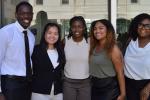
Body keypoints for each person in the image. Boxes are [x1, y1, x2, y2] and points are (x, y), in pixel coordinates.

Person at [0, 1, 35, 100]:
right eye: (23, 13)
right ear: (16, 15)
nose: (26, 16)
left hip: (27, 83)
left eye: (29, 13)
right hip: (10, 84)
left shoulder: (31, 36)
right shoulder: (5, 33)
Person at [89, 19, 126, 100]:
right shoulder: (94, 46)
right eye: (95, 29)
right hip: (94, 86)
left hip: (109, 89)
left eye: (101, 28)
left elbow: (120, 72)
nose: (97, 31)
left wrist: (123, 94)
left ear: (108, 30)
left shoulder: (113, 49)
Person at [31, 23, 66, 100]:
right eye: (49, 33)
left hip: (57, 93)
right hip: (39, 92)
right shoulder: (36, 50)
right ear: (44, 34)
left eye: (55, 33)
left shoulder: (61, 51)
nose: (52, 36)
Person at [63, 16, 91, 100]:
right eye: (74, 27)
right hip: (68, 83)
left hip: (86, 83)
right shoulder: (65, 41)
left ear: (84, 28)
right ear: (70, 28)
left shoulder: (90, 41)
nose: (77, 29)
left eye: (80, 27)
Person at [124, 13, 150, 100]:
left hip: (147, 86)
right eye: (140, 24)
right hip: (128, 85)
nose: (143, 28)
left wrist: (148, 88)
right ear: (136, 26)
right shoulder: (129, 41)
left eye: (147, 26)